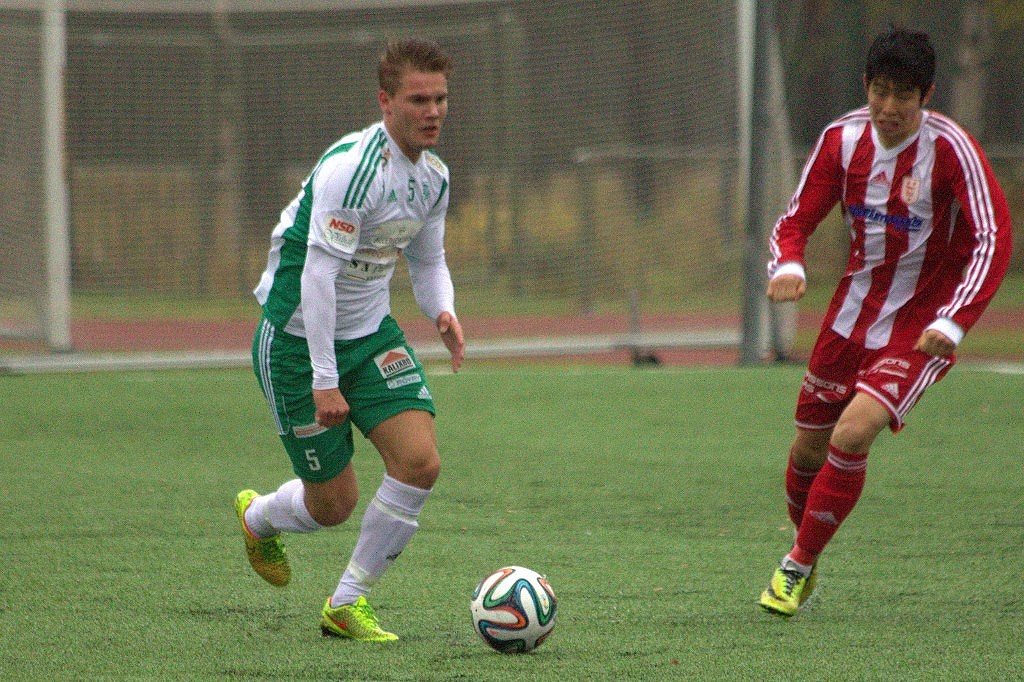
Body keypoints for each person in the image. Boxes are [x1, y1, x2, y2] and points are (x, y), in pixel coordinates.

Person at [758, 27, 1012, 617]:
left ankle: (794, 567)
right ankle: (807, 547)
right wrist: (789, 263)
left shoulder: (952, 149)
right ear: (866, 86)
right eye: (880, 91)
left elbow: (993, 236)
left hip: (920, 327)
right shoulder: (841, 140)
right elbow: (794, 220)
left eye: (904, 95)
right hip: (849, 319)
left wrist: (954, 321)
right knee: (807, 451)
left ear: (926, 95)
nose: (889, 107)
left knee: (852, 434)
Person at [234, 37, 464, 641]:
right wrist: (324, 379)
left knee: (420, 462)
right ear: (385, 102)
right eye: (418, 100)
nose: (433, 112)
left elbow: (427, 260)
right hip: (295, 342)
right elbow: (318, 277)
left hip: (369, 336)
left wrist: (442, 310)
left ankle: (346, 604)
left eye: (440, 99)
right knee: (333, 505)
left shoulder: (434, 178)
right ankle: (260, 517)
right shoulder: (353, 171)